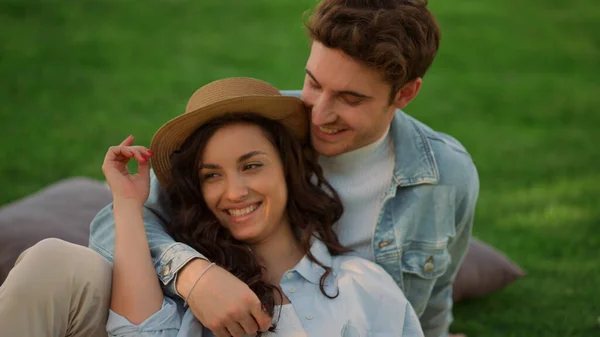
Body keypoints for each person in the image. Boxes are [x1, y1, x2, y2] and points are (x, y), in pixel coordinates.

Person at [0, 1, 478, 337]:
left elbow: (431, 297)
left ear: (405, 94)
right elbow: (115, 222)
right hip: (193, 312)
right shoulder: (266, 122)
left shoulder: (444, 177)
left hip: (331, 315)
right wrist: (192, 274)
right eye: (313, 83)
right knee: (56, 262)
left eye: (349, 99)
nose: (317, 111)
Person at [102, 77, 424, 337]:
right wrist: (128, 204)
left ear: (286, 166)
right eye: (212, 175)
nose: (235, 192)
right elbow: (135, 332)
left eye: (252, 166)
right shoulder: (192, 299)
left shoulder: (362, 286)